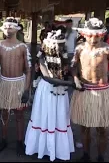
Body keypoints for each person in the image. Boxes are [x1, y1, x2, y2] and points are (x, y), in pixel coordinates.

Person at [70, 18, 109, 162]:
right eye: (91, 35)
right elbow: (73, 66)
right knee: (84, 126)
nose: (94, 38)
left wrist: (108, 83)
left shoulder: (108, 49)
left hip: (102, 91)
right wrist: (76, 79)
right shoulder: (79, 48)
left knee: (102, 128)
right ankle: (85, 155)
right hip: (84, 91)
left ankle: (101, 157)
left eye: (97, 35)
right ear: (84, 34)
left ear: (102, 34)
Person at [24, 29, 75, 161]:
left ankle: (57, 149)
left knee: (59, 117)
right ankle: (42, 148)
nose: (60, 47)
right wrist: (70, 84)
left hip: (61, 91)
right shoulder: (42, 58)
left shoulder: (64, 58)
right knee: (45, 115)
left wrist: (72, 80)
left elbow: (69, 72)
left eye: (62, 44)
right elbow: (47, 78)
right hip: (46, 91)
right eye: (58, 44)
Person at [0, 17, 31, 156]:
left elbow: (28, 69)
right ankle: (4, 140)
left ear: (16, 29)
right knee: (4, 113)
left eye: (11, 27)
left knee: (19, 114)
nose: (8, 30)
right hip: (4, 83)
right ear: (4, 29)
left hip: (19, 83)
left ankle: (20, 142)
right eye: (6, 27)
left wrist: (26, 89)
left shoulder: (22, 46)